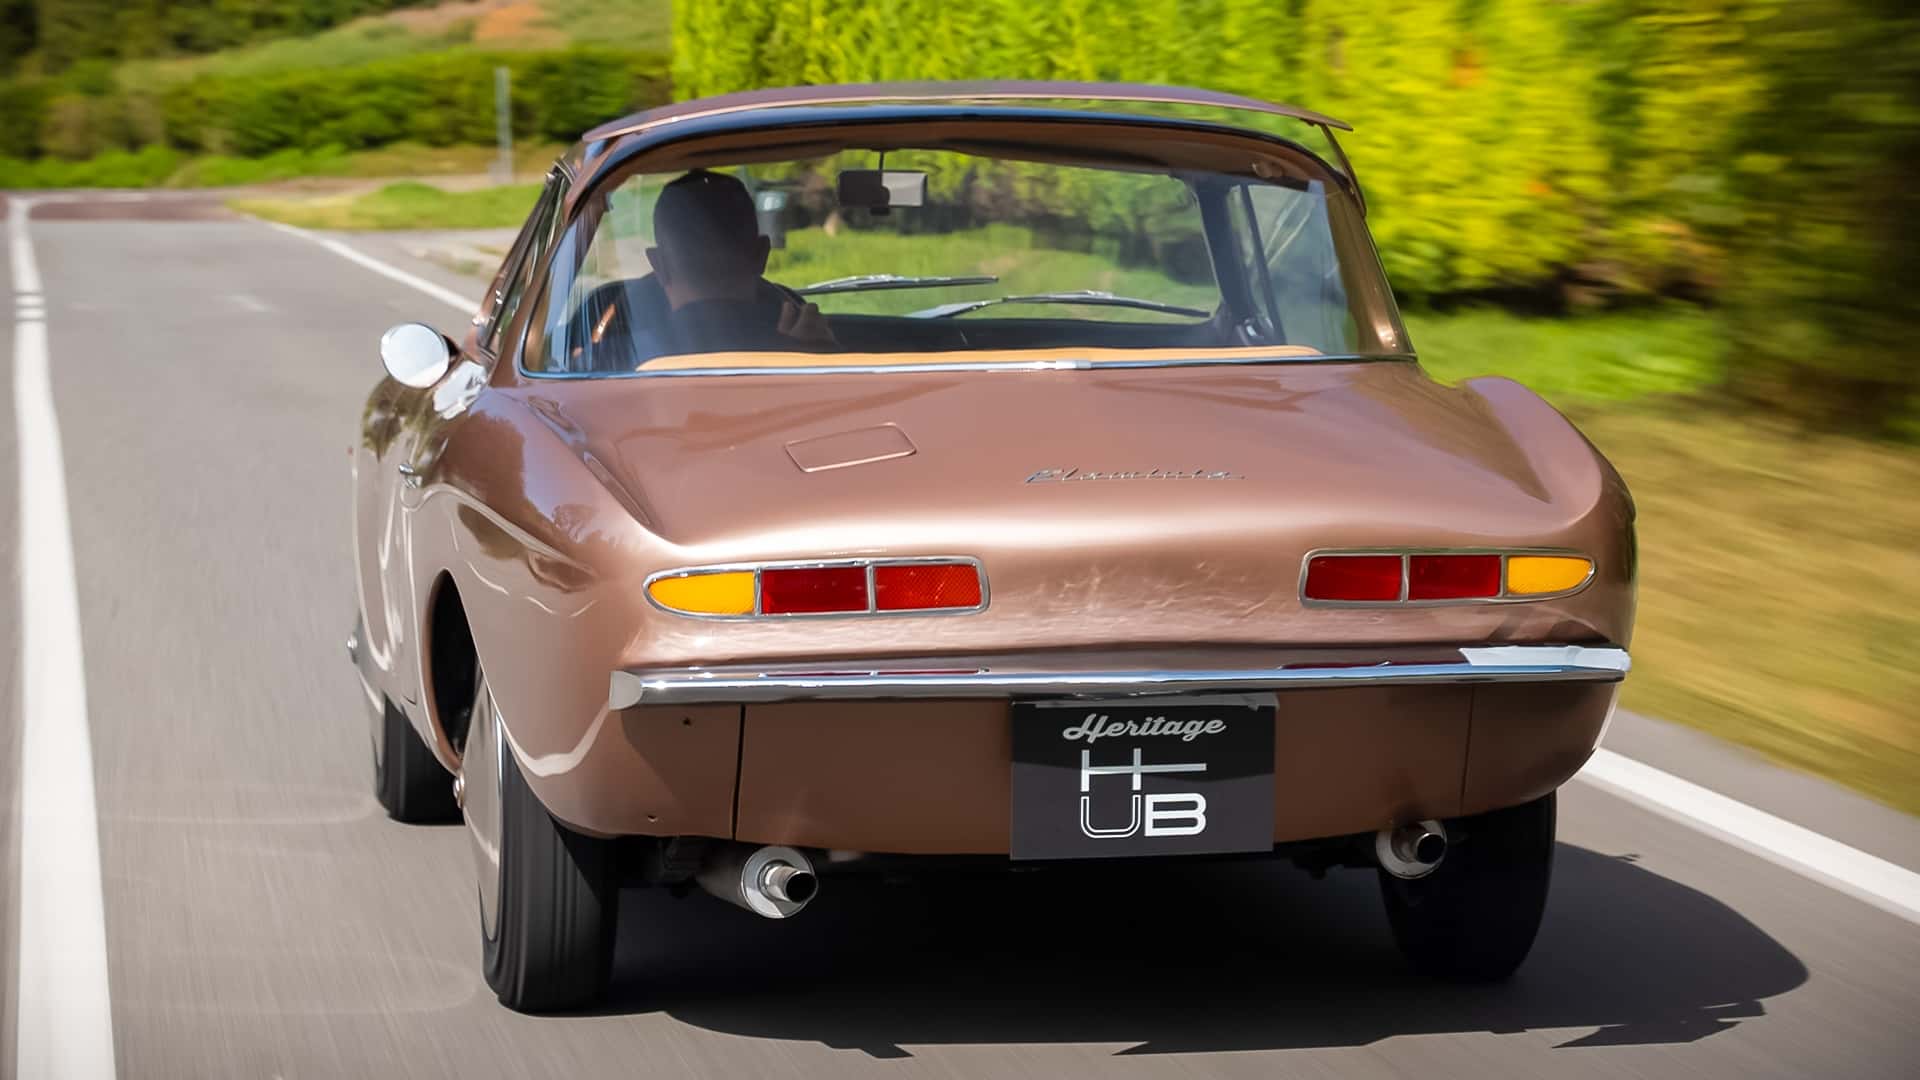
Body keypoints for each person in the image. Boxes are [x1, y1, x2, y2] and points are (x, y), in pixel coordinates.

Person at [645, 169, 834, 352]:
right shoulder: (805, 351)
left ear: (658, 265)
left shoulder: (627, 353)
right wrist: (819, 350)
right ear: (761, 255)